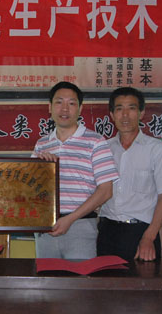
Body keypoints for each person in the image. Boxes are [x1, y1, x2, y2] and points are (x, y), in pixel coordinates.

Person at [32, 81, 118, 259]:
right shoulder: (42, 144)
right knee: (47, 276)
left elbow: (106, 191)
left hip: (80, 226)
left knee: (80, 277)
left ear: (80, 109)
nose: (65, 109)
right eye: (59, 102)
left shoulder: (95, 141)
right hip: (45, 227)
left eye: (71, 103)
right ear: (50, 107)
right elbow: (30, 188)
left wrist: (70, 219)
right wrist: (41, 169)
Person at [98, 87, 162, 261]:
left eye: (131, 108)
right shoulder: (103, 149)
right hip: (107, 232)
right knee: (106, 279)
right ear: (112, 115)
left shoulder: (157, 149)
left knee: (145, 279)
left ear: (141, 113)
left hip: (142, 233)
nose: (125, 115)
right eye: (119, 109)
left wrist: (149, 237)